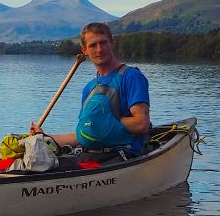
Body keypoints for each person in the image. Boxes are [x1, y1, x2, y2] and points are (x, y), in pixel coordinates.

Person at [30, 22, 150, 155]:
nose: (99, 49)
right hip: (91, 155)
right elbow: (87, 132)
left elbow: (141, 124)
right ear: (84, 50)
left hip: (123, 155)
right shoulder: (89, 88)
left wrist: (101, 119)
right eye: (93, 45)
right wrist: (45, 137)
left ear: (112, 43)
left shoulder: (132, 77)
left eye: (103, 42)